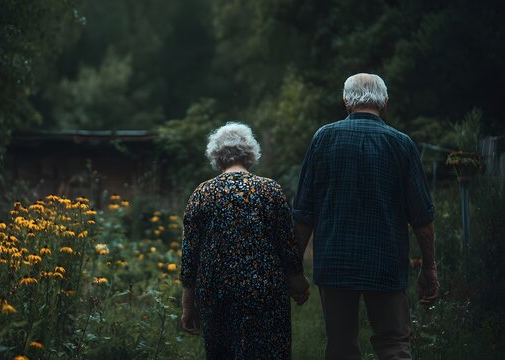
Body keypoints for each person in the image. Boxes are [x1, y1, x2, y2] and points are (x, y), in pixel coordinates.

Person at [292, 73, 440, 360]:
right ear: (384, 102)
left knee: (340, 346)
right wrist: (429, 267)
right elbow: (422, 219)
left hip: (335, 263)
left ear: (346, 101)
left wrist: (295, 270)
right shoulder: (402, 144)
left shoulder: (323, 138)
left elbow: (303, 214)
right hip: (386, 262)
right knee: (394, 343)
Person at [180, 122, 310, 359]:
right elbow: (287, 246)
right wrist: (299, 283)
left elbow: (190, 254)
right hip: (264, 291)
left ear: (216, 156)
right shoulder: (270, 190)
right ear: (250, 154)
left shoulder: (201, 194)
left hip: (216, 291)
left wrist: (188, 304)